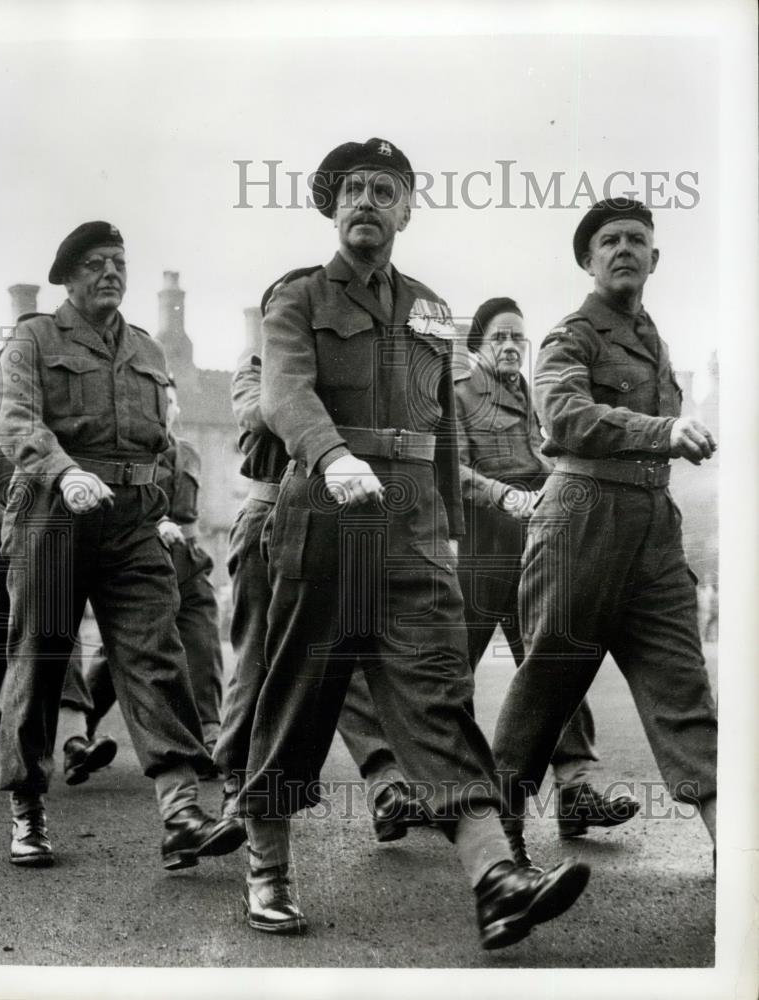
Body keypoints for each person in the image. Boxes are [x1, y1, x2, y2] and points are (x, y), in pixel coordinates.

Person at [235, 138, 590, 949]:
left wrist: (453, 536)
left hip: (416, 527)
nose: (367, 200)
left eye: (384, 189)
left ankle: (496, 878)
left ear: (406, 210)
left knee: (436, 697)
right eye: (352, 188)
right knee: (300, 694)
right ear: (331, 206)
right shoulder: (295, 299)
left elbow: (447, 434)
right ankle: (267, 865)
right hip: (325, 517)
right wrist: (330, 458)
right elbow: (284, 394)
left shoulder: (433, 310)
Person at [0, 221, 244, 869]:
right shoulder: (35, 338)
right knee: (42, 655)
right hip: (53, 511)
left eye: (119, 263)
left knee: (154, 651)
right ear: (69, 276)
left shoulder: (147, 351)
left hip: (132, 520)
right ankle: (27, 807)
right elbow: (15, 419)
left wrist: (160, 505)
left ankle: (180, 809)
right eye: (97, 263)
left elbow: (165, 439)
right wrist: (65, 472)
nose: (111, 273)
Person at [492, 200, 718, 857]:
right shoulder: (571, 336)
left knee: (683, 693)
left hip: (652, 529)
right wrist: (662, 431)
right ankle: (497, 858)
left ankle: (738, 857)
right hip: (581, 519)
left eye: (636, 240)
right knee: (547, 686)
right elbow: (562, 416)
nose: (622, 249)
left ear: (654, 258)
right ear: (587, 260)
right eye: (607, 241)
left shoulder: (653, 341)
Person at [215, 349, 427, 842]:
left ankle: (386, 786)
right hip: (265, 515)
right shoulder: (253, 370)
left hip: (326, 520)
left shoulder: (332, 373)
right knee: (254, 661)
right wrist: (312, 404)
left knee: (339, 660)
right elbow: (262, 409)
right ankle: (235, 790)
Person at [454, 296, 639, 839]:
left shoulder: (533, 395)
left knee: (553, 657)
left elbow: (551, 455)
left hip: (536, 544)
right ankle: (439, 789)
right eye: (500, 338)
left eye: (518, 338)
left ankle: (576, 790)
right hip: (480, 550)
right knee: (447, 675)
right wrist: (505, 496)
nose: (511, 347)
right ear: (479, 347)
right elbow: (452, 470)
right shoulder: (460, 393)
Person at [59, 376, 226, 779]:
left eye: (174, 402)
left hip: (188, 562)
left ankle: (210, 737)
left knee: (202, 642)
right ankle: (79, 738)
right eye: (165, 403)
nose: (174, 410)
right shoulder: (128, 456)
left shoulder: (188, 453)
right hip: (144, 558)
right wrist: (158, 523)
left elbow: (192, 511)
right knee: (127, 654)